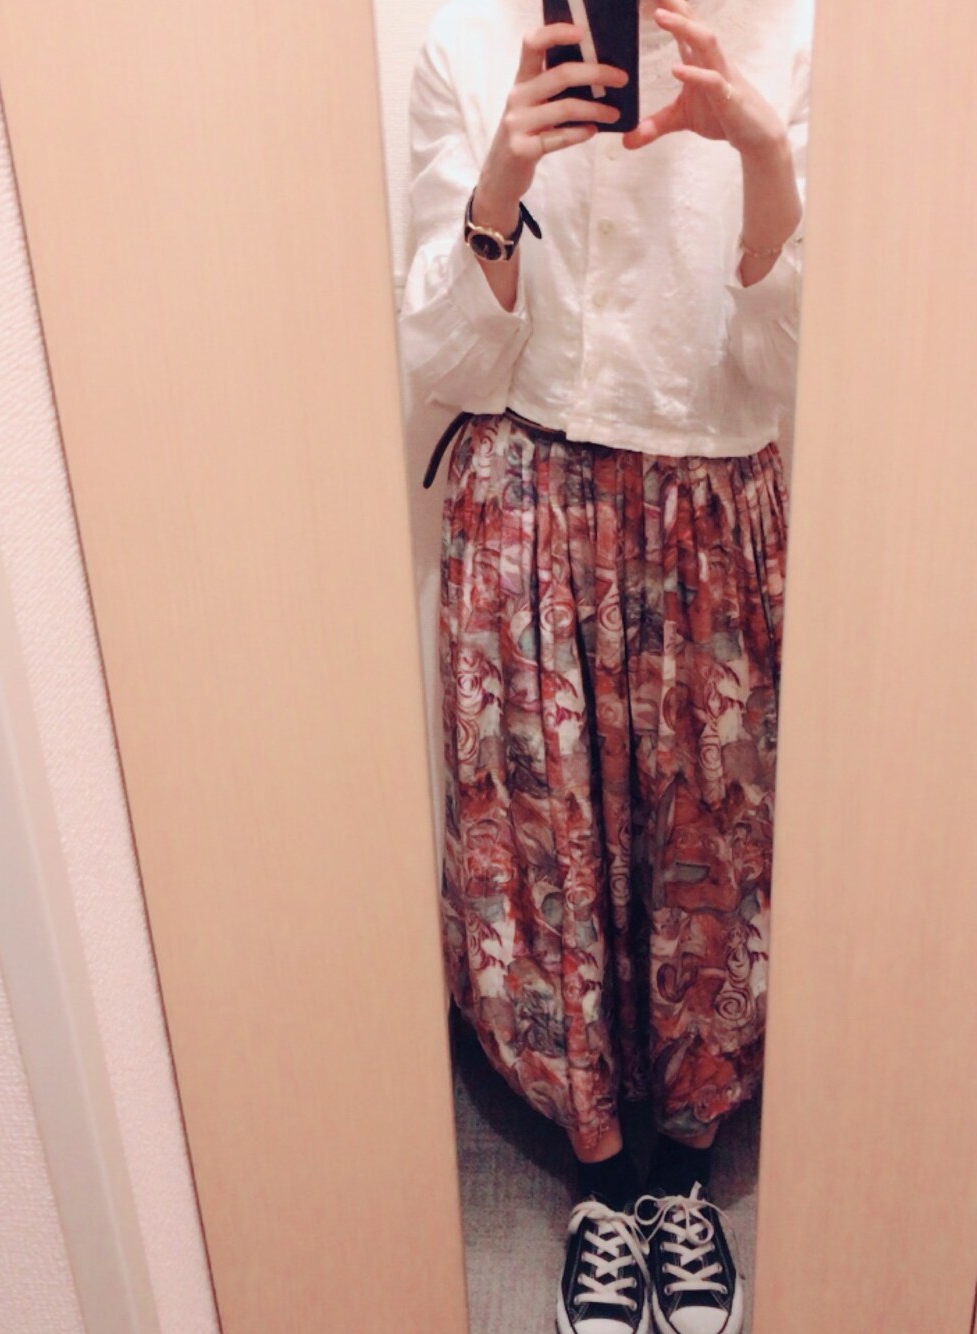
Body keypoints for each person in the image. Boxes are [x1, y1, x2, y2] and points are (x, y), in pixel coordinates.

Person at [400, 0, 812, 1329]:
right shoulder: (470, 46)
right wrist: (499, 188)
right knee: (549, 863)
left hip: (713, 510)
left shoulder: (798, 41)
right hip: (528, 502)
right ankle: (600, 1186)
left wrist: (765, 160)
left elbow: (789, 367)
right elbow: (439, 358)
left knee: (713, 853)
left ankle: (684, 1180)